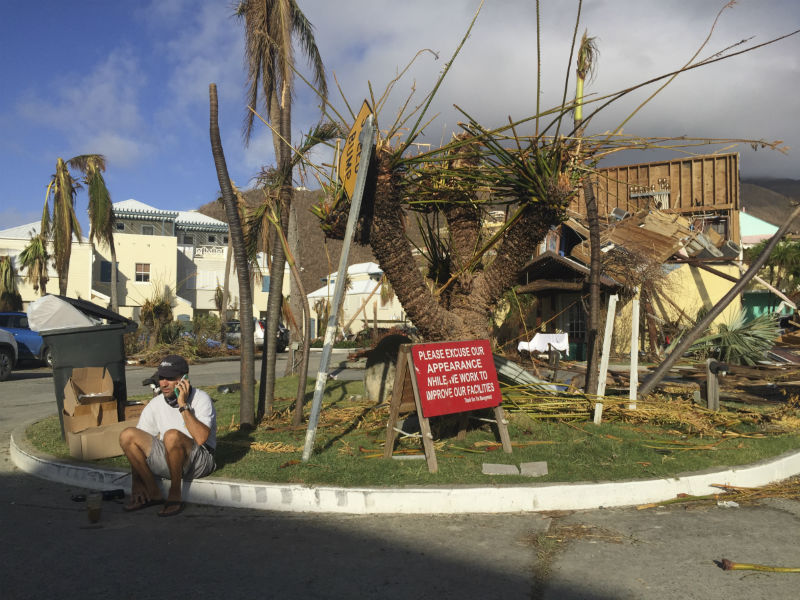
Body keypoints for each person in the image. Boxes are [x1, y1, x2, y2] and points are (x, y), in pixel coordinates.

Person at [119, 354, 216, 517]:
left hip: (199, 461)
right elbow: (138, 447)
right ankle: (153, 492)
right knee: (127, 435)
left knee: (171, 435)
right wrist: (136, 482)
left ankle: (175, 495)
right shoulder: (155, 404)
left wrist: (183, 405)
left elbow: (201, 439)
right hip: (170, 458)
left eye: (170, 378)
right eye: (161, 378)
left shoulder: (201, 399)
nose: (163, 383)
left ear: (184, 379)